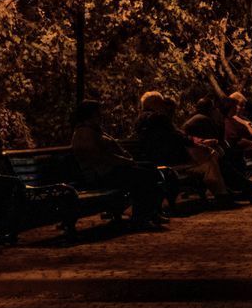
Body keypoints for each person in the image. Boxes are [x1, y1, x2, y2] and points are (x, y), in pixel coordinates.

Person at [69, 100, 166, 229]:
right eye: (98, 112)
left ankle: (150, 213)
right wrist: (125, 160)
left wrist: (125, 159)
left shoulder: (94, 130)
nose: (101, 115)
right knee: (145, 176)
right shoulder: (84, 133)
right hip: (102, 175)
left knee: (151, 169)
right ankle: (141, 217)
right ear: (91, 114)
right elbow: (101, 157)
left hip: (110, 171)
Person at [134, 92, 231, 202]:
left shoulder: (140, 121)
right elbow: (177, 137)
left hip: (156, 159)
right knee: (210, 156)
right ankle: (223, 193)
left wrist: (196, 142)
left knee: (209, 157)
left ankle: (223, 191)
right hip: (171, 161)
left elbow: (175, 136)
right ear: (155, 104)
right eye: (162, 103)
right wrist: (197, 143)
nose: (164, 106)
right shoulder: (159, 118)